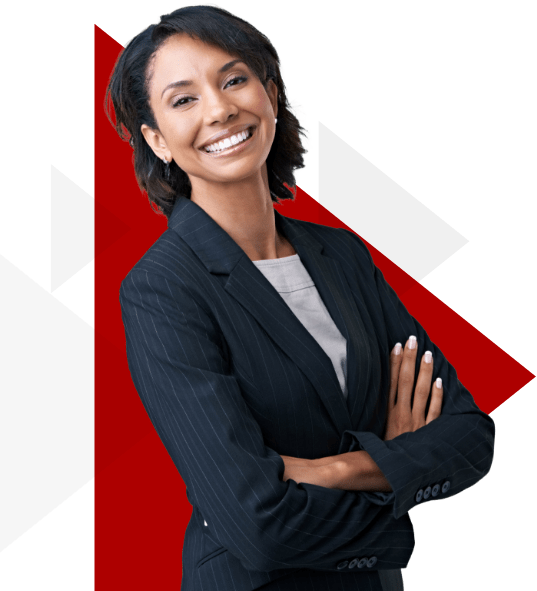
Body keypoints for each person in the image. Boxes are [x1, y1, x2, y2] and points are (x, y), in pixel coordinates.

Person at [107, 4, 495, 590]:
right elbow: (255, 524)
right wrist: (394, 468)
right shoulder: (163, 288)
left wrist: (335, 469)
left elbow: (469, 435)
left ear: (269, 93)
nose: (219, 109)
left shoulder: (341, 256)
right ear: (157, 140)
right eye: (183, 99)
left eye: (234, 79)